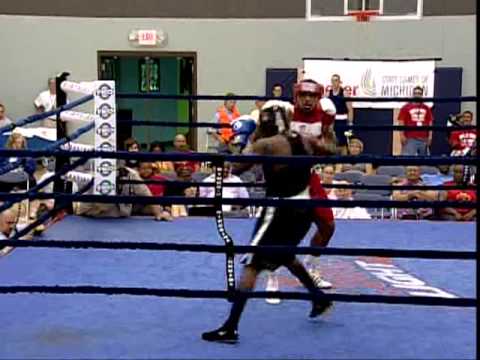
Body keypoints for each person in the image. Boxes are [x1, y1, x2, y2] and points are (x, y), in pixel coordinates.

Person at [201, 102, 333, 344]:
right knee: (286, 254)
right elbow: (329, 151)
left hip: (279, 209)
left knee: (252, 263)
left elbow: (236, 169)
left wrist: (240, 142)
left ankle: (230, 327)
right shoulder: (305, 140)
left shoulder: (266, 144)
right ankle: (318, 297)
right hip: (304, 208)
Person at [398, 86, 433, 156]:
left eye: (419, 93)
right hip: (410, 138)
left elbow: (430, 122)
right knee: (408, 161)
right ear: (413, 94)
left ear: (422, 95)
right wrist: (402, 135)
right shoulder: (405, 107)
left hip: (424, 139)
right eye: (416, 93)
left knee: (424, 162)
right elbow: (401, 122)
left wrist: (430, 136)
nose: (417, 95)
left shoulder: (426, 108)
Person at [327, 74, 353, 155]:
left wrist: (350, 124)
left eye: (336, 80)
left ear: (339, 82)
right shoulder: (328, 94)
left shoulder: (344, 93)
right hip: (331, 122)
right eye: (333, 81)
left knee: (343, 143)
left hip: (342, 121)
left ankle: (343, 161)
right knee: (331, 143)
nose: (334, 83)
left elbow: (350, 109)